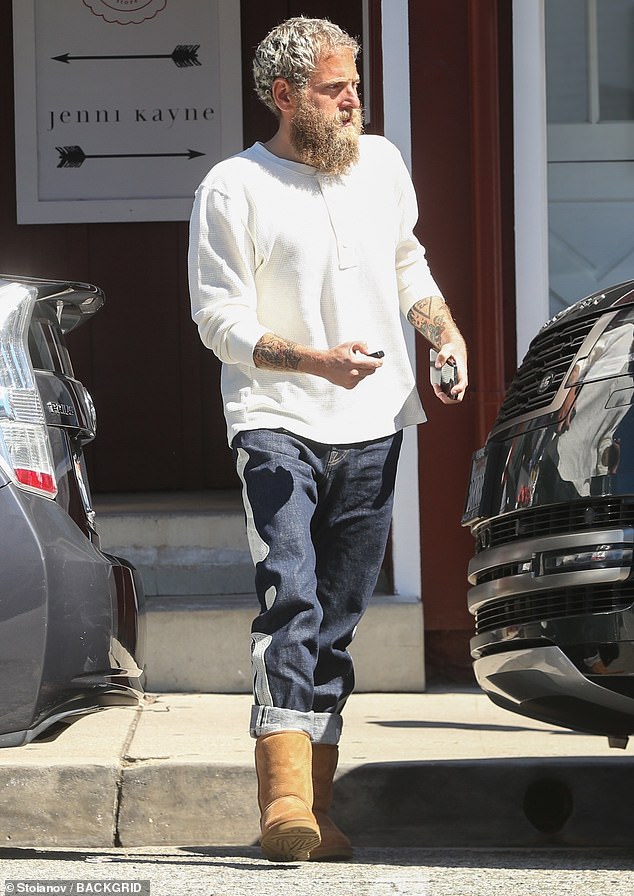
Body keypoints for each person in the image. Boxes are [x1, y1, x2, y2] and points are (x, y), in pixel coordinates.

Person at [188, 16, 468, 863]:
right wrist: (309, 359)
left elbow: (406, 261)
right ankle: (282, 802)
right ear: (283, 96)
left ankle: (318, 796)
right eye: (333, 88)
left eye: (354, 85)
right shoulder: (232, 188)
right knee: (293, 600)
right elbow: (218, 320)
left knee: (339, 617)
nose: (353, 100)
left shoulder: (379, 163)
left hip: (375, 421)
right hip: (275, 422)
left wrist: (443, 333)